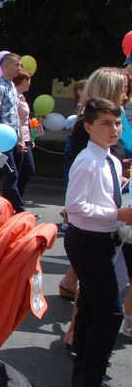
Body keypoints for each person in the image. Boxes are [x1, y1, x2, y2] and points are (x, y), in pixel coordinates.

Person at [64, 97, 132, 387]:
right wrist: (118, 212)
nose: (113, 129)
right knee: (111, 311)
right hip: (86, 241)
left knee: (92, 306)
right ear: (89, 127)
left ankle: (85, 368)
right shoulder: (88, 162)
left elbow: (106, 193)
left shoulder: (111, 160)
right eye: (105, 123)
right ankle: (90, 376)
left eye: (117, 123)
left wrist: (122, 191)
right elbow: (75, 206)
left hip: (103, 240)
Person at [0, 52, 27, 214]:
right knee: (11, 175)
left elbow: (15, 115)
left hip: (12, 139)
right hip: (2, 141)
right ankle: (21, 210)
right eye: (16, 65)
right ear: (5, 66)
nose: (20, 68)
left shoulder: (12, 86)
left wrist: (20, 138)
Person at [14, 69, 35, 198]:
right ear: (22, 81)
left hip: (26, 137)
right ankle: (15, 199)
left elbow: (25, 119)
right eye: (28, 80)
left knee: (27, 169)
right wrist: (21, 139)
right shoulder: (14, 97)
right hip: (18, 138)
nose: (30, 83)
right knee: (24, 169)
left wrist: (31, 137)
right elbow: (16, 119)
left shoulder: (22, 97)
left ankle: (16, 197)